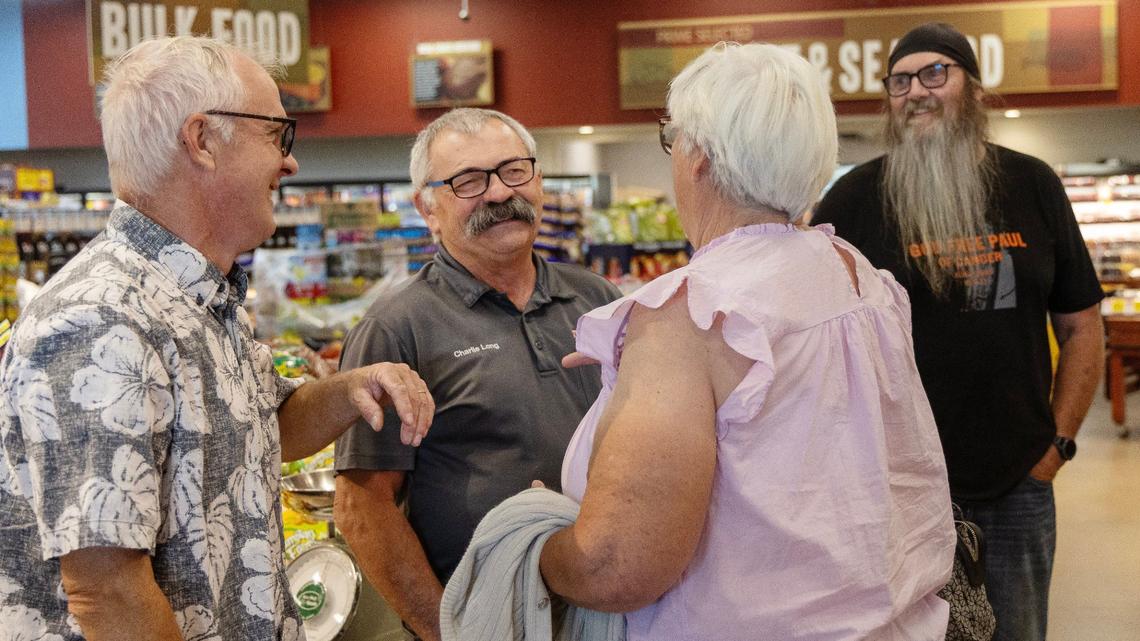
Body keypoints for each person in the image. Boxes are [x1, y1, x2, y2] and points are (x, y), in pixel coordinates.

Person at [0, 36, 433, 641]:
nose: (290, 162)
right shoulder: (99, 317)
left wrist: (355, 388)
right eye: (276, 135)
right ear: (201, 140)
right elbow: (106, 591)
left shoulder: (199, 296)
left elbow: (259, 427)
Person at [537, 42, 956, 640]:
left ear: (699, 154)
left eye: (671, 139)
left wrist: (533, 540)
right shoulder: (858, 274)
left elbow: (618, 567)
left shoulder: (691, 314)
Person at [812, 22, 1105, 641]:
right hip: (894, 494)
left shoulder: (1034, 185)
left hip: (1018, 483)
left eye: (934, 73)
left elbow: (1081, 328)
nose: (916, 91)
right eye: (899, 80)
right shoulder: (853, 200)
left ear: (973, 88)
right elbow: (813, 342)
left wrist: (1056, 450)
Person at [332, 108, 620, 641]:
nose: (497, 193)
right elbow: (362, 508)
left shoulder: (598, 301)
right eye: (468, 181)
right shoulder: (396, 330)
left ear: (538, 181)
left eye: (514, 170)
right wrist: (445, 630)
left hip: (608, 611)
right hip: (486, 621)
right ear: (428, 208)